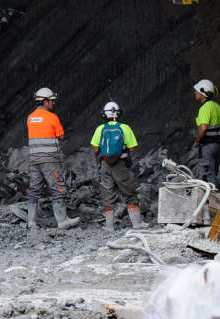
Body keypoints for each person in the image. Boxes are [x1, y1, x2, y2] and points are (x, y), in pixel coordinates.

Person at [21, 87, 79, 229]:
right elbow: (61, 136)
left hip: (34, 160)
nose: (53, 103)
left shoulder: (30, 118)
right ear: (45, 101)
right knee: (57, 188)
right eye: (52, 101)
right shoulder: (52, 117)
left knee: (34, 189)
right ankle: (62, 220)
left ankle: (31, 222)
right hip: (50, 160)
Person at [89, 101, 148, 231]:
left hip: (105, 165)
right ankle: (137, 223)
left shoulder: (100, 128)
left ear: (104, 114)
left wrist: (107, 153)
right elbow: (132, 147)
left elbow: (94, 147)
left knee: (108, 192)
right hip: (121, 165)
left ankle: (109, 225)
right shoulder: (124, 127)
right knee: (128, 192)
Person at [191, 78, 220, 186]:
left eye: (197, 91)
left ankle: (213, 201)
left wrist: (197, 141)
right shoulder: (218, 107)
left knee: (209, 177)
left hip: (208, 146)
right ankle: (213, 199)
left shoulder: (205, 108)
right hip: (219, 145)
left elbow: (203, 127)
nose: (195, 92)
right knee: (213, 174)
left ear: (203, 92)